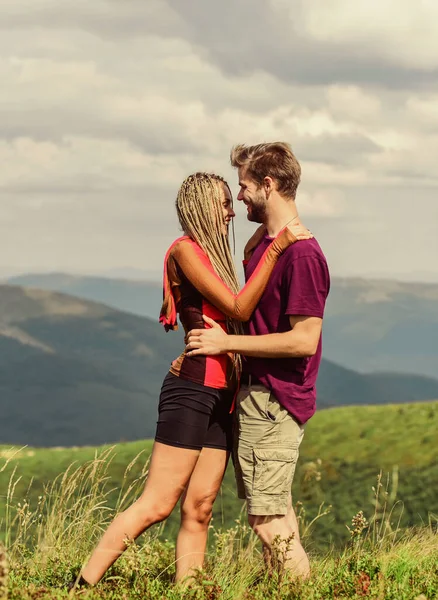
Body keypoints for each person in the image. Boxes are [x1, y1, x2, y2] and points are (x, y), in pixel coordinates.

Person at [69, 171, 311, 591]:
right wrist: (278, 249)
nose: (230, 211)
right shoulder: (184, 251)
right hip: (193, 390)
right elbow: (238, 306)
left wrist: (258, 249)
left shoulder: (211, 256)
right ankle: (80, 586)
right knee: (157, 504)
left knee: (199, 508)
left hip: (223, 395)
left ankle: (191, 591)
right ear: (200, 206)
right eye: (222, 203)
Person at [185, 144, 330, 579]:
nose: (240, 197)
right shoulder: (269, 245)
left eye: (245, 187)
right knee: (277, 512)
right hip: (261, 397)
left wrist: (227, 343)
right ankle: (283, 588)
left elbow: (304, 341)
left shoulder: (302, 255)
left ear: (268, 185)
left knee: (265, 519)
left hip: (273, 400)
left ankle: (304, 590)